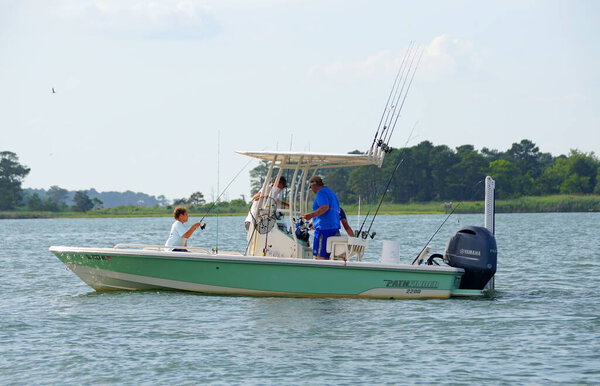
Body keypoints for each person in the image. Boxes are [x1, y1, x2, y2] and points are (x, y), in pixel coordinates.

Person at [302, 176, 341, 259]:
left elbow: (324, 207)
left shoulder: (321, 192)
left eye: (311, 188)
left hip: (324, 229)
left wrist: (310, 216)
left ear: (314, 185)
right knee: (333, 257)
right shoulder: (331, 192)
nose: (312, 190)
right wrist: (314, 221)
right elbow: (332, 210)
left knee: (320, 257)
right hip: (335, 228)